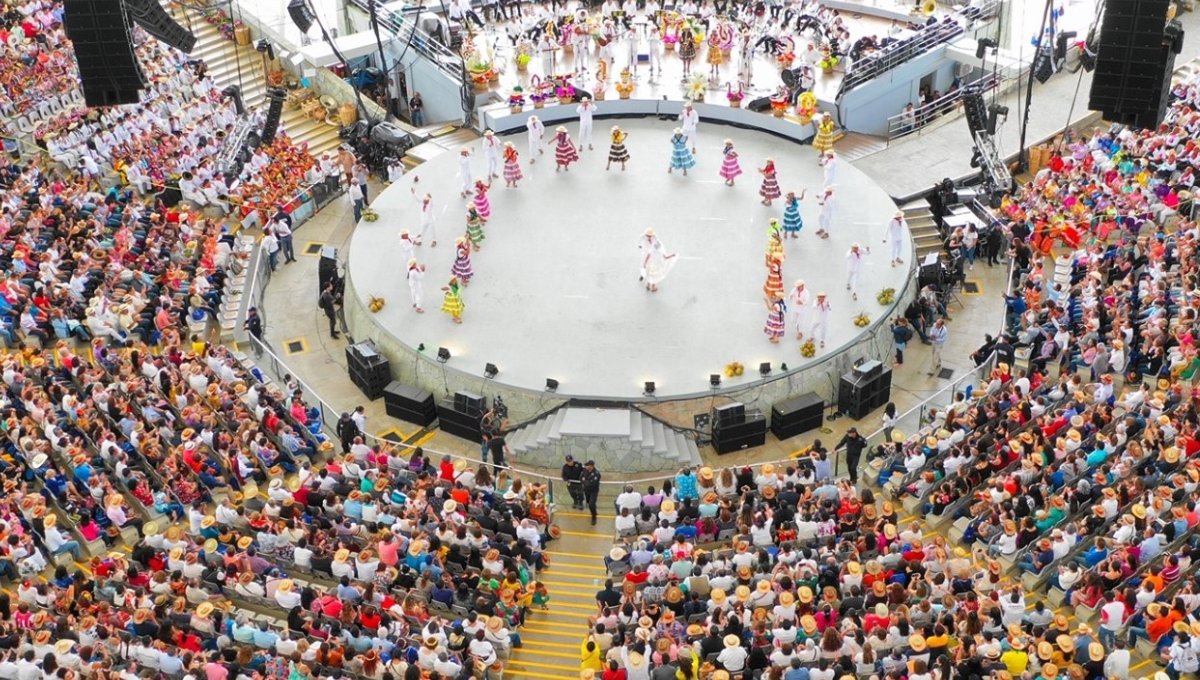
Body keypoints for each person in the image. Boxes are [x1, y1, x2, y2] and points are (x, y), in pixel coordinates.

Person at [640, 228, 677, 293]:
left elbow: (648, 255)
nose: (648, 237)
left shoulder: (651, 243)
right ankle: (651, 286)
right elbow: (664, 256)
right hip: (653, 262)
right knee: (652, 275)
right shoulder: (656, 243)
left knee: (651, 274)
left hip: (651, 262)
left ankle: (649, 286)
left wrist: (644, 264)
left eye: (649, 236)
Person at [581, 460, 603, 525]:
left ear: (591, 466)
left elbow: (592, 483)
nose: (586, 466)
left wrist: (584, 481)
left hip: (593, 491)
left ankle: (594, 517)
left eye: (587, 465)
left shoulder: (597, 474)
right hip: (586, 490)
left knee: (591, 503)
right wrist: (585, 482)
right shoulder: (585, 470)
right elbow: (581, 477)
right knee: (588, 502)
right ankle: (593, 509)